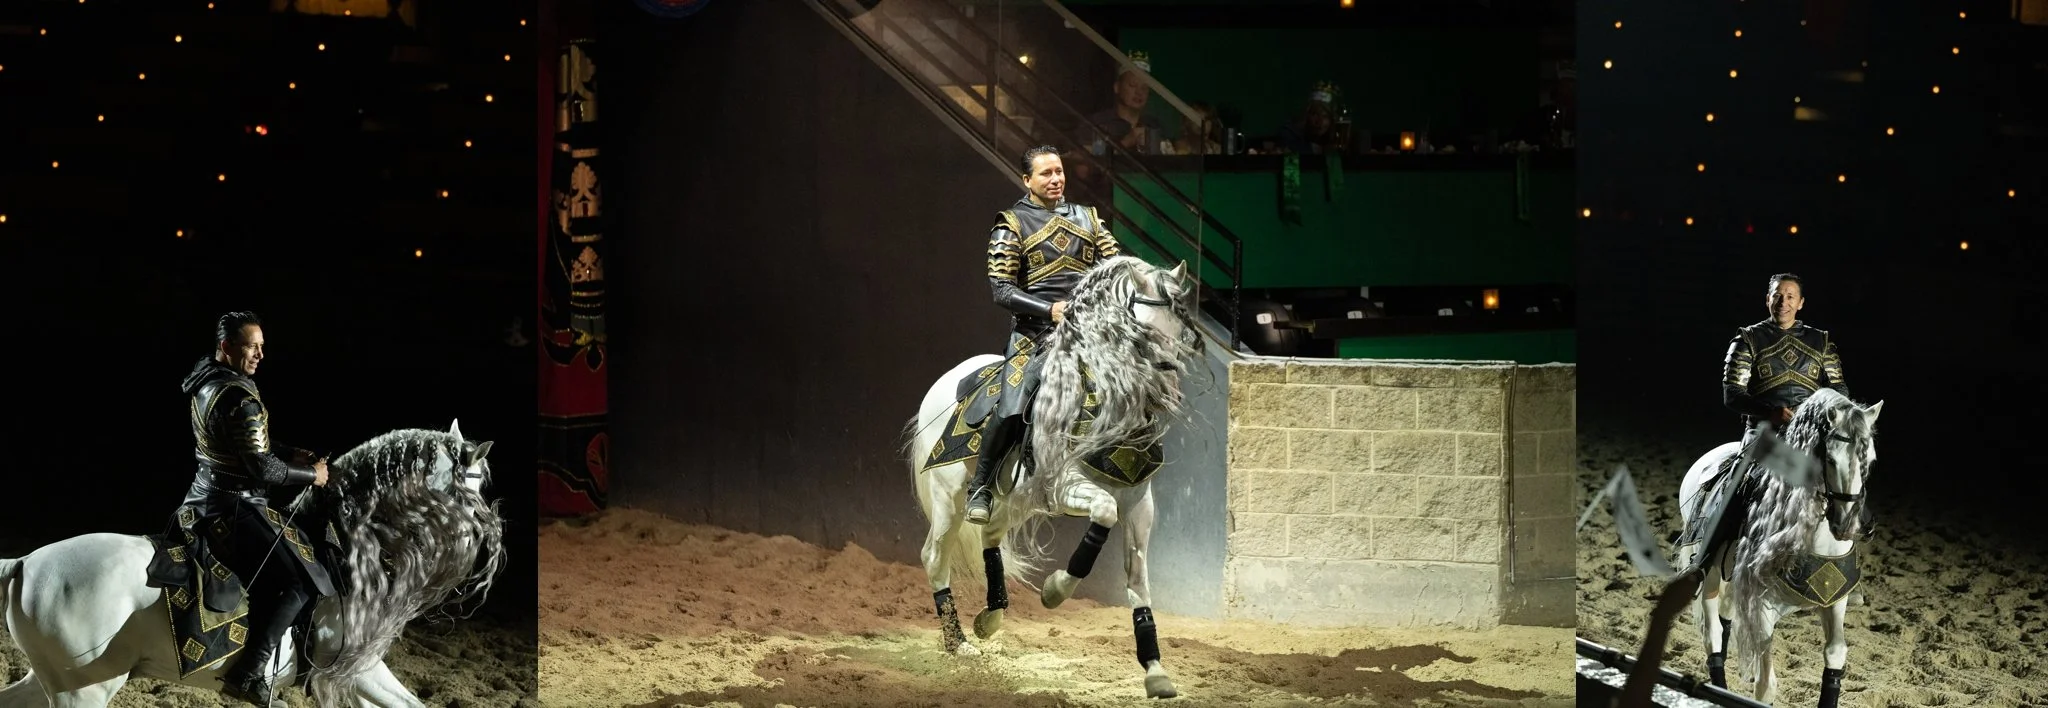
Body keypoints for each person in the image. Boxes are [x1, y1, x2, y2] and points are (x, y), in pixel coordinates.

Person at [177, 311, 334, 706]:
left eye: (262, 347)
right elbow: (261, 467)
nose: (260, 354)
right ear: (227, 346)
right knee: (302, 580)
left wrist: (287, 451)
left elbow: (244, 444)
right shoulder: (239, 396)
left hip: (201, 494)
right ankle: (250, 672)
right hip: (233, 506)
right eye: (252, 346)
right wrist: (310, 474)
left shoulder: (207, 378)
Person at [966, 146, 1125, 525]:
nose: (1055, 179)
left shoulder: (1088, 218)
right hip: (1033, 336)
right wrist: (1049, 310)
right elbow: (1001, 289)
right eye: (1045, 174)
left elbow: (1116, 270)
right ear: (1027, 180)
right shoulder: (1012, 223)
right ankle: (981, 486)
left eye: (1059, 171)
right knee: (1010, 407)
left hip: (1088, 335)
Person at [1722, 272, 1850, 446]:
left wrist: (1816, 414)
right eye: (1777, 296)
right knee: (1741, 473)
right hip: (1761, 434)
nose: (1783, 303)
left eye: (1790, 297)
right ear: (1768, 299)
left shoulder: (1821, 341)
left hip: (1811, 435)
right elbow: (1732, 393)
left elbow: (1839, 388)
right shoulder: (1748, 339)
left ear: (1800, 303)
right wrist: (1769, 413)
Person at [1084, 50, 1165, 156]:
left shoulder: (1153, 125)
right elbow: (1085, 162)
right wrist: (1127, 141)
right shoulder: (1099, 123)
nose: (1139, 92)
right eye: (1132, 85)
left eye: (1144, 88)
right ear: (1117, 87)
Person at [1276, 81, 1338, 155]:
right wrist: (1311, 149)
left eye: (1325, 116)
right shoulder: (1289, 133)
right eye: (1315, 114)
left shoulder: (1337, 139)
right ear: (1306, 115)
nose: (1320, 121)